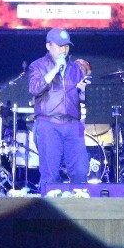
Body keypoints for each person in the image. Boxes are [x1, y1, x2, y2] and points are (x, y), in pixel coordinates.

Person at [27, 27, 91, 191]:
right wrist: (55, 68)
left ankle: (78, 204)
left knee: (81, 170)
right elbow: (34, 88)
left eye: (66, 46)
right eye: (60, 46)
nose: (64, 50)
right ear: (48, 46)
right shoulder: (37, 66)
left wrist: (83, 93)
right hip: (48, 123)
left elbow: (81, 98)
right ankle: (48, 206)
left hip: (73, 124)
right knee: (50, 174)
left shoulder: (75, 69)